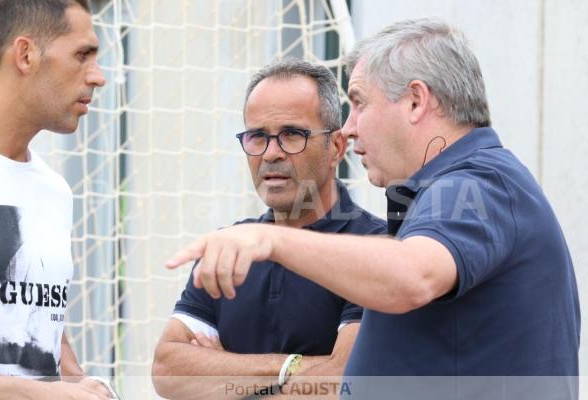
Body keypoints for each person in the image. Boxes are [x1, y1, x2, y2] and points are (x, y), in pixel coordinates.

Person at [166, 18, 580, 399]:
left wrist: (270, 239)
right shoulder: (457, 188)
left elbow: (411, 275)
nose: (349, 126)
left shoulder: (477, 183)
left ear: (416, 101)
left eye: (360, 102)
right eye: (258, 137)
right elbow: (169, 370)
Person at [152, 59, 385, 399]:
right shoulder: (228, 247)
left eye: (292, 135)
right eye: (257, 137)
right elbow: (167, 370)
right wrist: (293, 367)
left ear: (336, 147)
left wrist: (221, 371)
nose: (271, 153)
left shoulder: (376, 247)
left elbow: (344, 382)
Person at [0, 0, 110, 398]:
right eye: (82, 55)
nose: (98, 77)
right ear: (26, 55)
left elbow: (41, 341)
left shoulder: (54, 191)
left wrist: (83, 385)